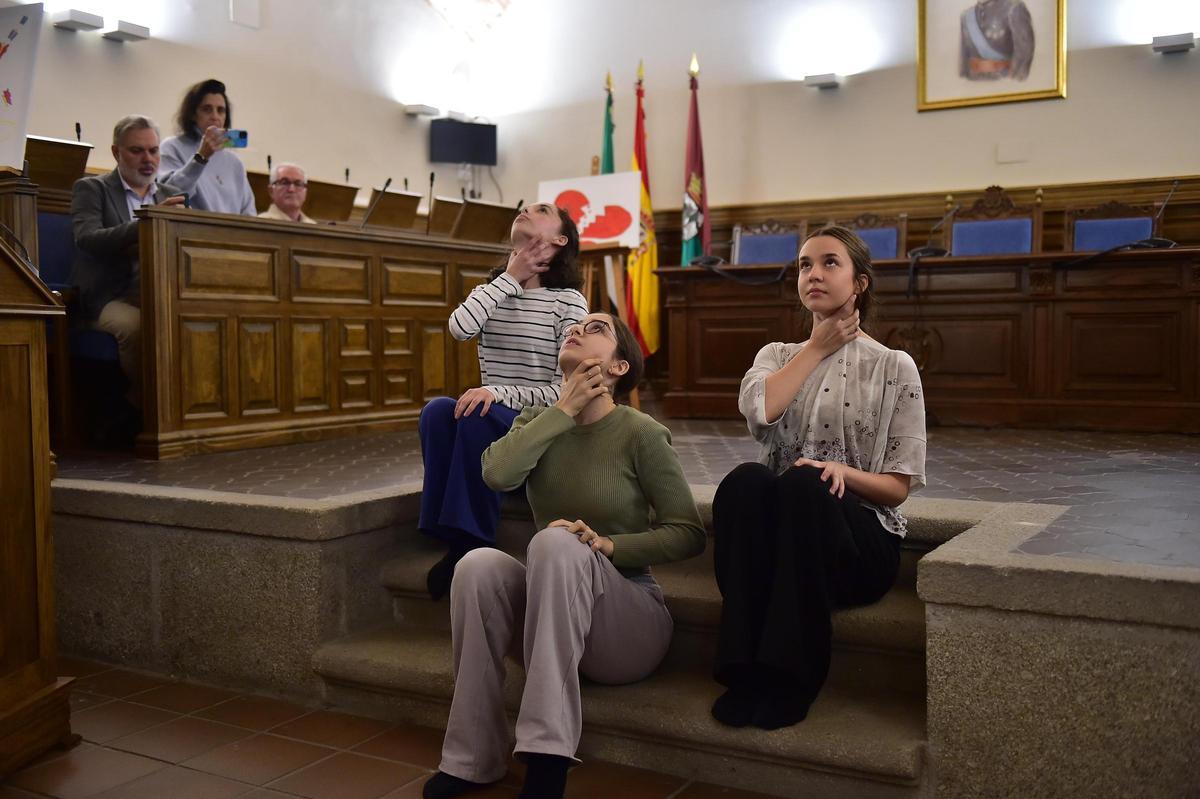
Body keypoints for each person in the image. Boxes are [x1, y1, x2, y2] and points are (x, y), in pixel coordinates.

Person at [422, 312, 706, 799]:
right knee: (476, 565)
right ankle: (472, 757)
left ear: (618, 368)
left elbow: (688, 533)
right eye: (576, 325)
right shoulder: (539, 423)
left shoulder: (641, 432)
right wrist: (562, 409)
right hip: (552, 615)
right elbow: (496, 475)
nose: (577, 328)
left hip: (627, 625)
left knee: (557, 541)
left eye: (597, 328)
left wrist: (609, 545)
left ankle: (547, 756)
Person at [709, 225, 927, 731]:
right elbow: (762, 409)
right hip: (779, 544)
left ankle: (792, 677)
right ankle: (743, 671)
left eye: (830, 263)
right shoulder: (777, 356)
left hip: (855, 544)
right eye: (806, 264)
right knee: (745, 481)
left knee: (808, 486)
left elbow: (897, 489)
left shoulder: (894, 367)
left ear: (860, 283)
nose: (814, 274)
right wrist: (815, 348)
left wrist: (842, 474)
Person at [419, 202, 588, 600]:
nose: (526, 208)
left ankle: (470, 542)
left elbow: (564, 389)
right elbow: (460, 328)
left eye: (541, 209)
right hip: (494, 416)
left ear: (558, 241)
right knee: (438, 412)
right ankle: (446, 529)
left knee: (478, 414)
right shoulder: (495, 291)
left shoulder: (568, 301)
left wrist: (497, 393)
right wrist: (510, 277)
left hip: (542, 425)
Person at [70, 114, 185, 398]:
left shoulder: (171, 194)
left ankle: (188, 407)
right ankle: (148, 412)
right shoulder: (91, 188)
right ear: (115, 152)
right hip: (106, 297)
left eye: (153, 150)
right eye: (137, 150)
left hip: (158, 296)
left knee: (194, 324)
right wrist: (148, 222)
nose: (148, 158)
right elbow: (87, 239)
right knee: (138, 326)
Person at [159, 78, 256, 215]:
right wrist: (201, 158)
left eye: (221, 110)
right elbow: (169, 194)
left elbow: (248, 211)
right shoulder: (172, 147)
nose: (215, 116)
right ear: (193, 114)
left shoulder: (234, 162)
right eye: (207, 109)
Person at [959, 0, 1035, 81]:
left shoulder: (1014, 8)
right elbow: (964, 62)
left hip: (1004, 84)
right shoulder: (966, 16)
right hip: (973, 85)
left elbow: (1024, 54)